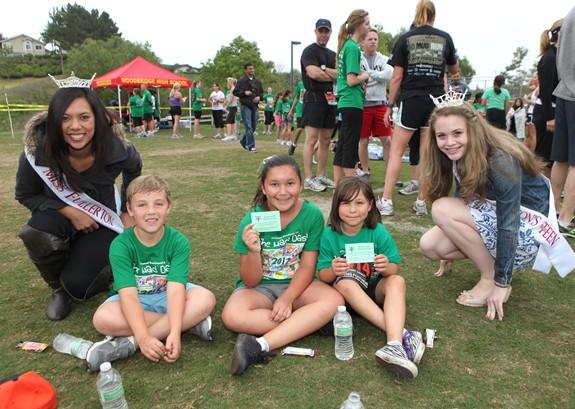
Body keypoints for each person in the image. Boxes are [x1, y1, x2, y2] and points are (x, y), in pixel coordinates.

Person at [419, 102, 575, 321]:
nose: (449, 142)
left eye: (457, 133)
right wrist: (455, 235)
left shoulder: (499, 159)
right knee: (431, 246)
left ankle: (490, 277)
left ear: (472, 129)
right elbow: (464, 196)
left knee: (441, 209)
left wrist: (502, 282)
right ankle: (491, 264)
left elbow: (509, 223)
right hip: (504, 220)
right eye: (441, 136)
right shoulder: (462, 153)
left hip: (528, 233)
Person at [15, 81, 142, 321]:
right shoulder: (37, 151)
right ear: (54, 121)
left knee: (79, 287)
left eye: (84, 117)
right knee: (35, 233)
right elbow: (26, 195)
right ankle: (58, 289)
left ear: (97, 118)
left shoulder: (117, 148)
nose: (75, 126)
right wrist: (69, 210)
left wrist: (128, 211)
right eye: (65, 118)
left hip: (102, 221)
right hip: (57, 217)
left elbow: (134, 171)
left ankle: (86, 276)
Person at [221, 155, 343, 375]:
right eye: (274, 184)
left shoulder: (312, 215)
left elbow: (308, 266)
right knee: (232, 316)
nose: (283, 192)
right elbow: (250, 280)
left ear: (301, 184)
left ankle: (259, 345)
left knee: (334, 301)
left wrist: (287, 299)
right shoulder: (251, 220)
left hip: (298, 285)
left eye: (290, 183)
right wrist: (253, 251)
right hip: (260, 288)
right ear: (264, 188)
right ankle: (310, 322)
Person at [89, 175, 216, 371]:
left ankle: (130, 344)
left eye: (158, 204)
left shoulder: (178, 241)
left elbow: (176, 289)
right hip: (136, 299)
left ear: (168, 207)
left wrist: (173, 332)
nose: (151, 212)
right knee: (102, 319)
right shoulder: (120, 245)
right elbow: (128, 296)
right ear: (130, 209)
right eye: (142, 205)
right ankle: (190, 323)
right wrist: (143, 335)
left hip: (168, 295)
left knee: (205, 298)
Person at [317, 177, 425, 379]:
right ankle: (404, 334)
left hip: (374, 290)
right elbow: (322, 275)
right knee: (346, 283)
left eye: (359, 203)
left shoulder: (377, 231)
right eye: (346, 203)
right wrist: (333, 270)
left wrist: (386, 266)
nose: (352, 210)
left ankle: (394, 344)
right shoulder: (329, 234)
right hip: (346, 298)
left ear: (370, 206)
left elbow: (394, 268)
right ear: (336, 206)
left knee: (397, 281)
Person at [378, 0, 459, 217]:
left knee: (396, 151)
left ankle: (386, 201)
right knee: (426, 154)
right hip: (435, 101)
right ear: (434, 15)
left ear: (417, 14)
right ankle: (421, 202)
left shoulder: (405, 38)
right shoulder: (445, 38)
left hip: (411, 99)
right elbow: (454, 69)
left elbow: (397, 77)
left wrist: (389, 105)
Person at [300, 18, 338, 192]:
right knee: (311, 139)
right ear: (315, 32)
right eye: (320, 31)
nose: (323, 34)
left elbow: (340, 75)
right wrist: (328, 74)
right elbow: (313, 74)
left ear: (330, 33)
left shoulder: (333, 54)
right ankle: (308, 178)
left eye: (326, 31)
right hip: (313, 98)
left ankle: (321, 175)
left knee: (326, 140)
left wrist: (323, 70)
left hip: (330, 100)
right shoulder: (309, 51)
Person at [333, 9, 371, 185]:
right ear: (358, 25)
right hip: (352, 103)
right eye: (367, 23)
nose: (369, 27)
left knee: (342, 145)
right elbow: (351, 80)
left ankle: (339, 186)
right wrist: (365, 76)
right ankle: (350, 186)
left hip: (346, 102)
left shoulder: (346, 46)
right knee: (350, 145)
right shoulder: (353, 47)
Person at [550, 7, 575, 237]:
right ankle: (565, 219)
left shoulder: (569, 15)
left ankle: (553, 212)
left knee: (561, 159)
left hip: (564, 91)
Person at [358, 28, 394, 180]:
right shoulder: (358, 57)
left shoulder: (384, 59)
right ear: (363, 42)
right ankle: (365, 171)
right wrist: (378, 76)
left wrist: (369, 74)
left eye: (375, 39)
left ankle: (390, 173)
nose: (373, 41)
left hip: (380, 104)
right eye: (370, 39)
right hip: (363, 105)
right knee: (363, 140)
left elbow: (389, 74)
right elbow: (356, 77)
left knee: (387, 140)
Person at [535, 19, 562, 175]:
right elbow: (545, 90)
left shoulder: (557, 56)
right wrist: (550, 118)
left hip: (554, 111)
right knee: (544, 158)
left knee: (552, 158)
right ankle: (539, 188)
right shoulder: (550, 57)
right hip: (548, 112)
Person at [233, 63, 264, 152]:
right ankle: (251, 146)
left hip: (255, 106)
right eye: (250, 69)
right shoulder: (241, 81)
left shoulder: (257, 81)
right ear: (246, 70)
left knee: (253, 127)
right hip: (245, 106)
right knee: (248, 126)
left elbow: (262, 93)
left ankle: (243, 141)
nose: (252, 70)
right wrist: (244, 93)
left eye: (252, 68)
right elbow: (235, 92)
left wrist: (259, 97)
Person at [287, 79, 306, 155]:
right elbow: (297, 97)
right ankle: (293, 145)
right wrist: (291, 110)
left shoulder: (314, 83)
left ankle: (309, 151)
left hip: (311, 109)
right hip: (300, 110)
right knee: (300, 129)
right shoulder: (300, 84)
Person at [524, 73, 539, 152]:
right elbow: (529, 85)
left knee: (533, 135)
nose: (533, 78)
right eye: (533, 77)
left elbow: (538, 103)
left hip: (534, 113)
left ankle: (532, 152)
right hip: (529, 112)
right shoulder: (535, 88)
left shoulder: (539, 88)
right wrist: (532, 79)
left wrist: (527, 101)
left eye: (535, 77)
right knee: (527, 134)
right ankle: (526, 151)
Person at [223, 77, 239, 142]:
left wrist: (225, 107)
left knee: (228, 121)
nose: (227, 84)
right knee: (232, 122)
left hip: (233, 107)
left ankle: (229, 136)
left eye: (228, 82)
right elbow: (227, 99)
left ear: (230, 82)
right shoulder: (231, 89)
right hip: (232, 107)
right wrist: (223, 105)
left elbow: (231, 99)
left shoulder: (233, 89)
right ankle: (233, 136)